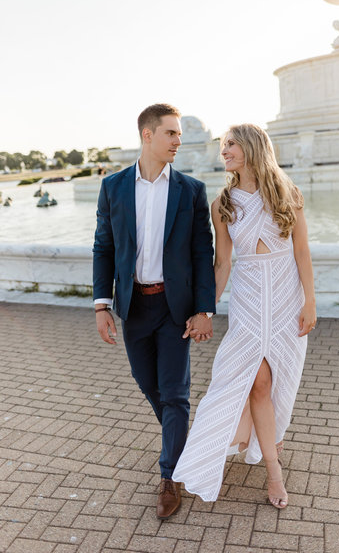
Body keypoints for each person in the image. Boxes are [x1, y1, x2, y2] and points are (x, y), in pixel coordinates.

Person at [173, 123, 316, 508]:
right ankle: (274, 473)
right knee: (258, 382)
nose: (225, 151)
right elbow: (222, 263)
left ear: (252, 147)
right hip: (249, 301)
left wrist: (311, 302)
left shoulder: (288, 193)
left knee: (281, 378)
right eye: (223, 145)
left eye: (231, 144)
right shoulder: (223, 203)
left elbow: (302, 253)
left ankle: (271, 436)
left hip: (287, 298)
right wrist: (205, 310)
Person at [92, 103, 216, 519]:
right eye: (171, 133)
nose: (179, 141)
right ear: (148, 135)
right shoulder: (113, 187)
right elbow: (104, 248)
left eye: (179, 133)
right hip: (133, 306)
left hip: (174, 307)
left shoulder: (191, 190)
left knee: (176, 394)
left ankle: (170, 476)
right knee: (150, 385)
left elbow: (203, 253)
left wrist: (204, 309)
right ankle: (183, 440)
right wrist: (101, 305)